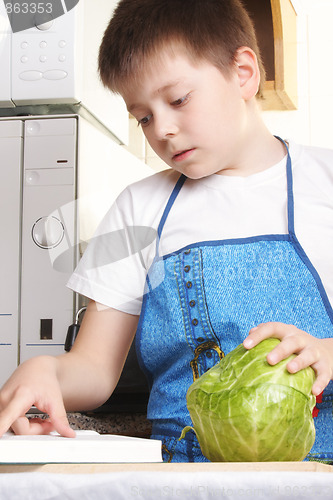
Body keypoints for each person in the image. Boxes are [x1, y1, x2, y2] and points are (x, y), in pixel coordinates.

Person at [1, 0, 333, 463]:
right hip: (181, 476)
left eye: (177, 100)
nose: (164, 130)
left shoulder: (326, 181)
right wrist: (47, 373)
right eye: (144, 117)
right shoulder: (138, 207)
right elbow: (94, 369)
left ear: (243, 72)